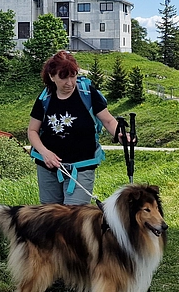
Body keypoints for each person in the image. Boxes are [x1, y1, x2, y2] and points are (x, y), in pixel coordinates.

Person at [27, 50, 129, 205]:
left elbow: (108, 121)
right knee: (50, 218)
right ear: (52, 76)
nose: (69, 82)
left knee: (74, 217)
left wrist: (121, 135)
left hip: (82, 166)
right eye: (63, 77)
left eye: (73, 75)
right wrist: (45, 153)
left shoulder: (87, 93)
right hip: (48, 166)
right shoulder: (45, 98)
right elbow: (32, 131)